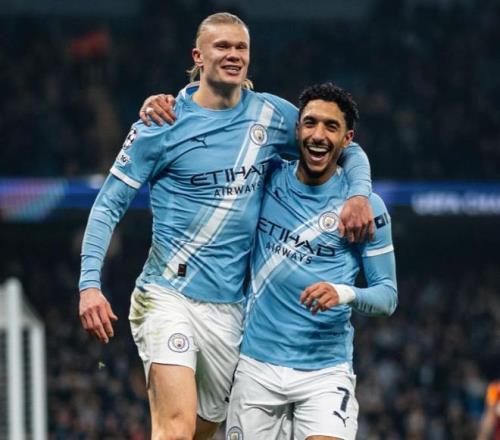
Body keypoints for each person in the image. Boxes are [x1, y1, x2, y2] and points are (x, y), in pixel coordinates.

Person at [78, 13, 373, 440]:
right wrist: (90, 285)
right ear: (198, 56)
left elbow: (346, 146)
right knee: (176, 428)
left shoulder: (272, 115)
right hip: (167, 295)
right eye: (222, 46)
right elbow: (107, 205)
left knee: (203, 428)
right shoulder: (161, 123)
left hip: (231, 309)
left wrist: (359, 195)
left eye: (241, 48)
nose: (233, 55)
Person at [225, 82, 398, 440]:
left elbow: (387, 296)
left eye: (331, 127)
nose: (318, 135)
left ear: (347, 139)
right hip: (257, 366)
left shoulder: (365, 208)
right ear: (297, 130)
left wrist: (343, 293)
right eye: (310, 123)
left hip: (324, 373)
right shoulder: (266, 179)